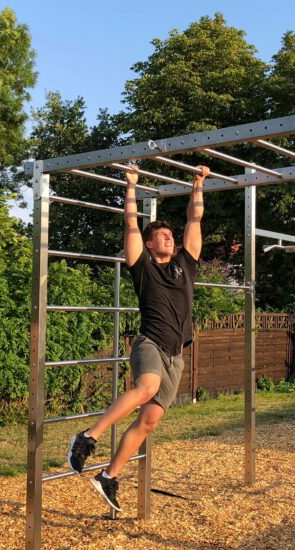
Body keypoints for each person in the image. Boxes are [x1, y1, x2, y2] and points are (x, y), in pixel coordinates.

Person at [65, 162, 210, 511]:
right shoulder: (142, 267)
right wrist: (131, 185)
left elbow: (195, 220)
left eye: (170, 235)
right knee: (145, 387)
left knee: (150, 420)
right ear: (147, 244)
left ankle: (108, 477)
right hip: (151, 342)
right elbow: (131, 222)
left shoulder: (186, 263)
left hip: (176, 353)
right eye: (161, 235)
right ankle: (86, 438)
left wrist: (198, 184)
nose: (168, 236)